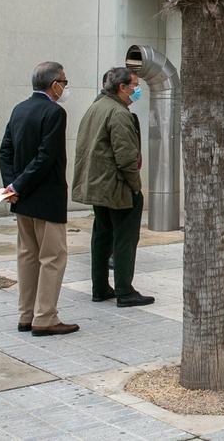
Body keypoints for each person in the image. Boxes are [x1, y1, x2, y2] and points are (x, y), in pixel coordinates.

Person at [0, 61, 79, 337]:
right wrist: (17, 185)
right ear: (54, 84)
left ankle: (27, 314)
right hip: (46, 197)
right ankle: (45, 317)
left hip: (23, 199)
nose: (65, 88)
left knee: (28, 256)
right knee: (52, 258)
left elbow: (5, 151)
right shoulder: (55, 113)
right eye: (64, 82)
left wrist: (11, 186)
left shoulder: (19, 109)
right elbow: (46, 157)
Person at [72, 67, 155, 307]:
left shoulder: (96, 108)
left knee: (102, 236)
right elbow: (126, 157)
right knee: (124, 239)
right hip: (116, 187)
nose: (137, 90)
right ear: (122, 87)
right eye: (135, 85)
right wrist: (135, 187)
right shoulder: (118, 114)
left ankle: (100, 287)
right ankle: (124, 290)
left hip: (98, 185)